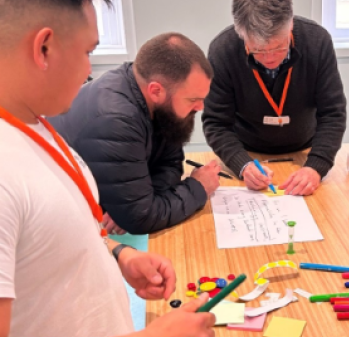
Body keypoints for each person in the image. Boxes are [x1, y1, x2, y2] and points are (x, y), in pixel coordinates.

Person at [0, 1, 215, 336]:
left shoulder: (38, 126)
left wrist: (119, 254)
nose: (91, 72)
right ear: (43, 48)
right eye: (88, 50)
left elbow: (47, 238)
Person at [49, 32, 221, 235]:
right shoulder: (116, 120)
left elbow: (170, 162)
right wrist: (199, 187)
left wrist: (134, 204)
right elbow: (142, 219)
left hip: (104, 197)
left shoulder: (151, 96)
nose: (200, 107)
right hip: (65, 223)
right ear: (156, 91)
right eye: (192, 99)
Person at [202, 0, 347, 196]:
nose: (269, 59)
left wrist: (316, 166)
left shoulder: (317, 42)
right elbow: (216, 123)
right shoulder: (223, 51)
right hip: (247, 152)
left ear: (291, 25)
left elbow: (333, 114)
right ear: (241, 34)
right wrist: (242, 164)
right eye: (258, 50)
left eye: (279, 47)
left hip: (305, 152)